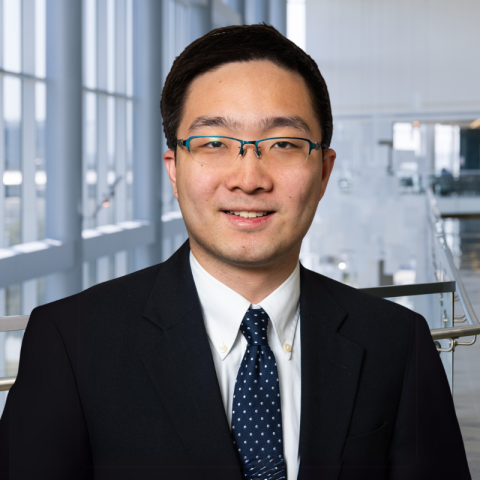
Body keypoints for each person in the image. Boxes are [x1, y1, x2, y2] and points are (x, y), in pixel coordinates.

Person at [0, 24, 470, 480]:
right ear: (175, 169)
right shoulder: (71, 343)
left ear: (324, 172)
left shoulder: (397, 343)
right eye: (214, 143)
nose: (248, 179)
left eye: (284, 143)